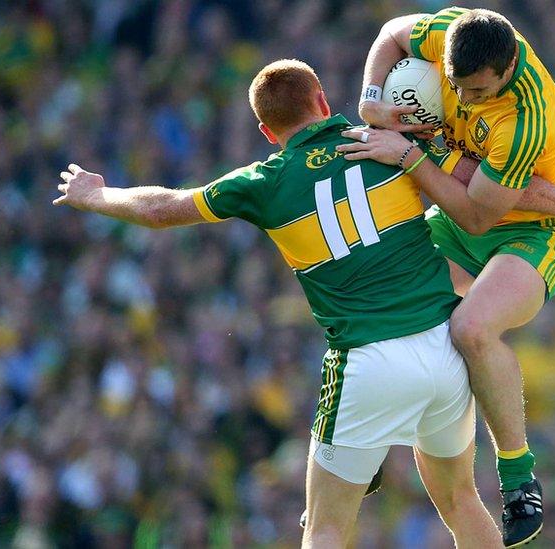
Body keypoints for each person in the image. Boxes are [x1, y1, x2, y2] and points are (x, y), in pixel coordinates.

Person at [53, 59, 502, 549]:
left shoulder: (261, 182)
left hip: (366, 362)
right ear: (323, 102)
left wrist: (97, 196)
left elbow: (163, 208)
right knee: (462, 502)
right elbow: (482, 183)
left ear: (267, 132)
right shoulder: (390, 142)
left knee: (325, 527)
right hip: (443, 345)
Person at [344, 9, 555, 546]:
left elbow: (477, 213)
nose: (466, 99)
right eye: (458, 87)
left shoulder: (526, 117)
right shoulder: (454, 33)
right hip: (464, 208)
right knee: (374, 288)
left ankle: (518, 478)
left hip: (528, 232)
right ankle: (368, 438)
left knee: (472, 328)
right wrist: (370, 98)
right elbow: (390, 35)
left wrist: (411, 153)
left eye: (478, 91)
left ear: (505, 72)